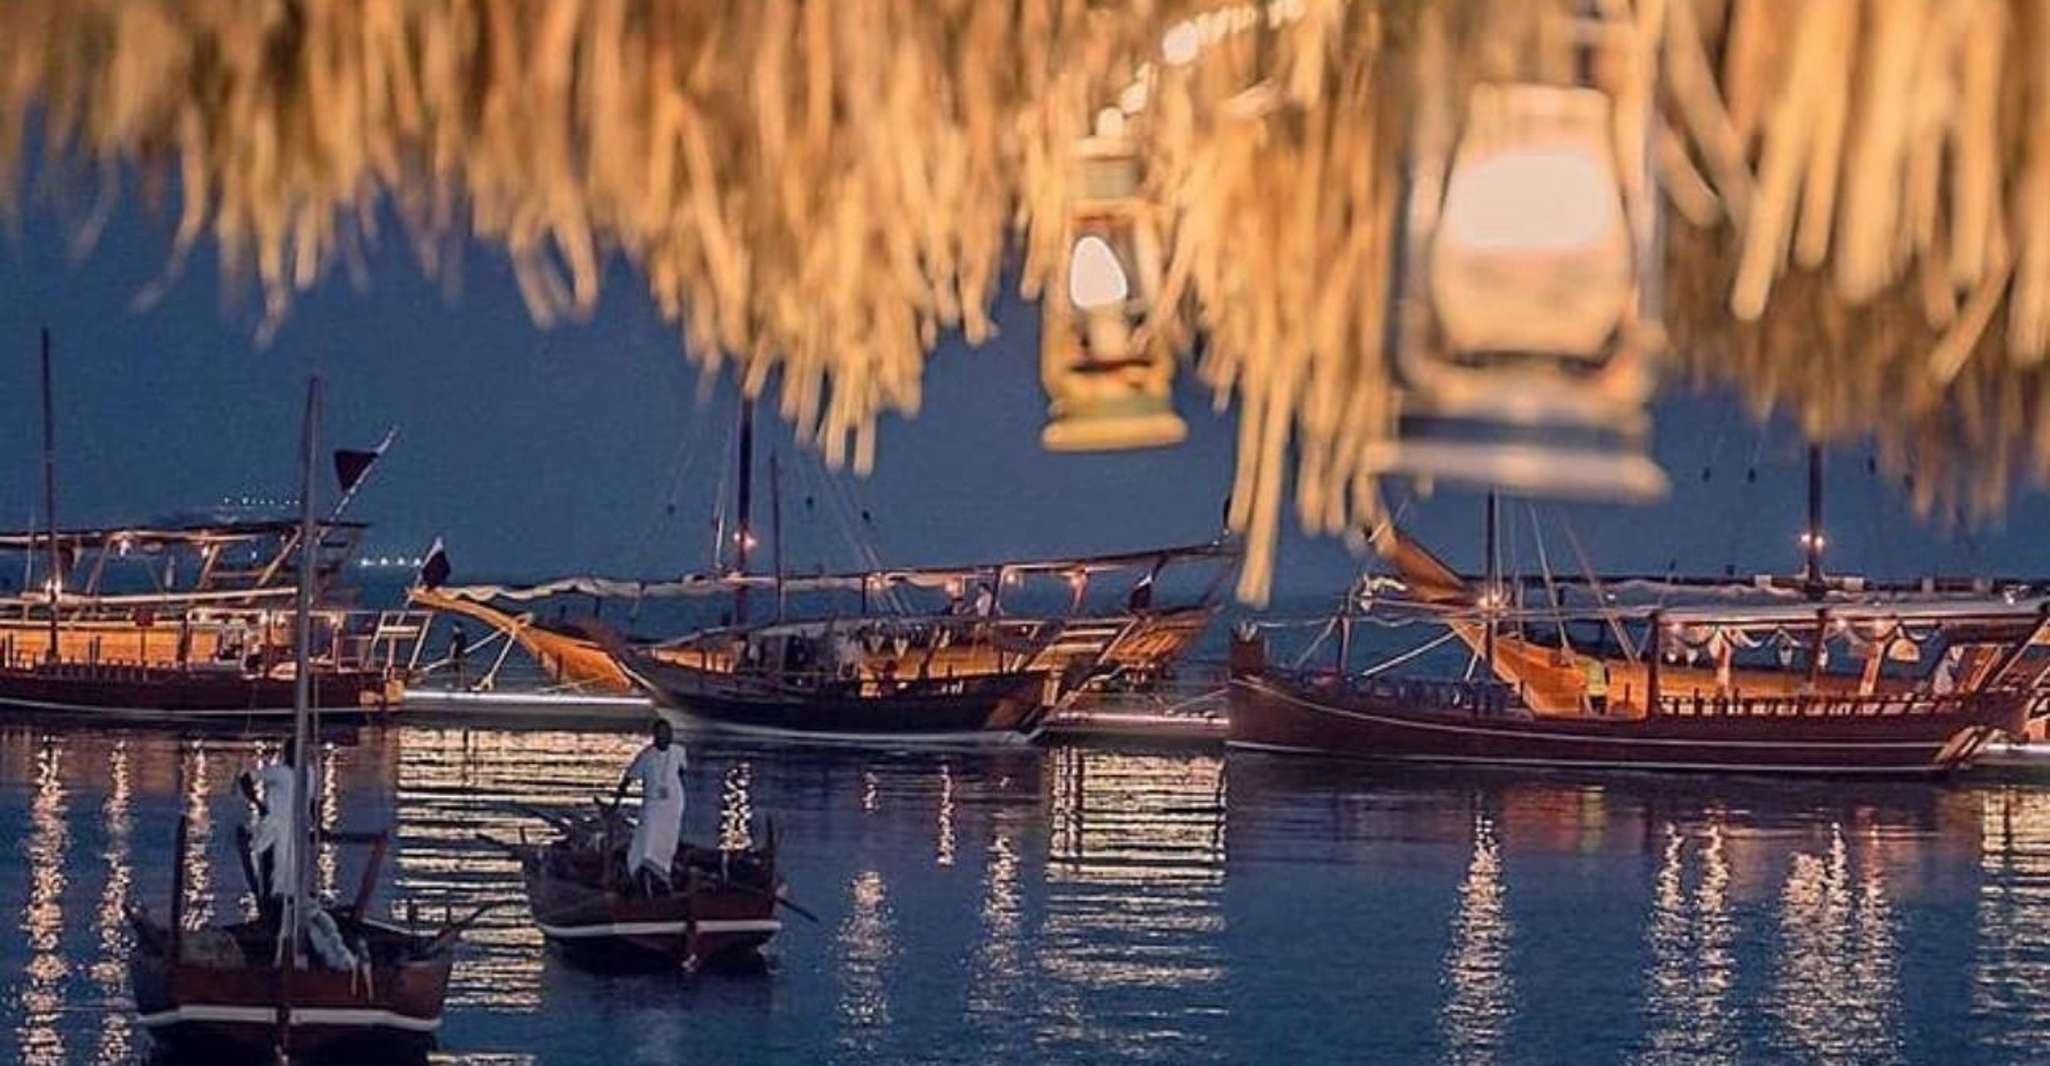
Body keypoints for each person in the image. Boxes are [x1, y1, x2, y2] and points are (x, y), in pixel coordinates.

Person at [613, 719, 688, 895]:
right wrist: (616, 803)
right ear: (655, 736)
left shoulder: (679, 751)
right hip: (653, 804)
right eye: (662, 733)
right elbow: (628, 779)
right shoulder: (646, 756)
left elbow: (681, 772)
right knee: (646, 836)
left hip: (673, 804)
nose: (666, 737)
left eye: (669, 733)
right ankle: (638, 869)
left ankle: (663, 871)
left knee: (668, 839)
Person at [238, 739, 311, 919]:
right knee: (273, 867)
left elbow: (313, 800)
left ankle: (290, 904)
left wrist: (318, 824)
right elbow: (246, 778)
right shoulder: (279, 772)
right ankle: (271, 904)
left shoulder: (310, 773)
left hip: (297, 827)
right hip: (276, 825)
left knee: (293, 869)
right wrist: (257, 803)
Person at [450, 622, 468, 690]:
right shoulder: (463, 636)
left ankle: (458, 685)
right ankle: (459, 685)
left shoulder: (457, 636)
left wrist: (451, 655)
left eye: (454, 628)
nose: (453, 629)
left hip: (458, 655)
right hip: (461, 654)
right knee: (459, 670)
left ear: (458, 628)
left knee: (457, 671)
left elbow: (453, 646)